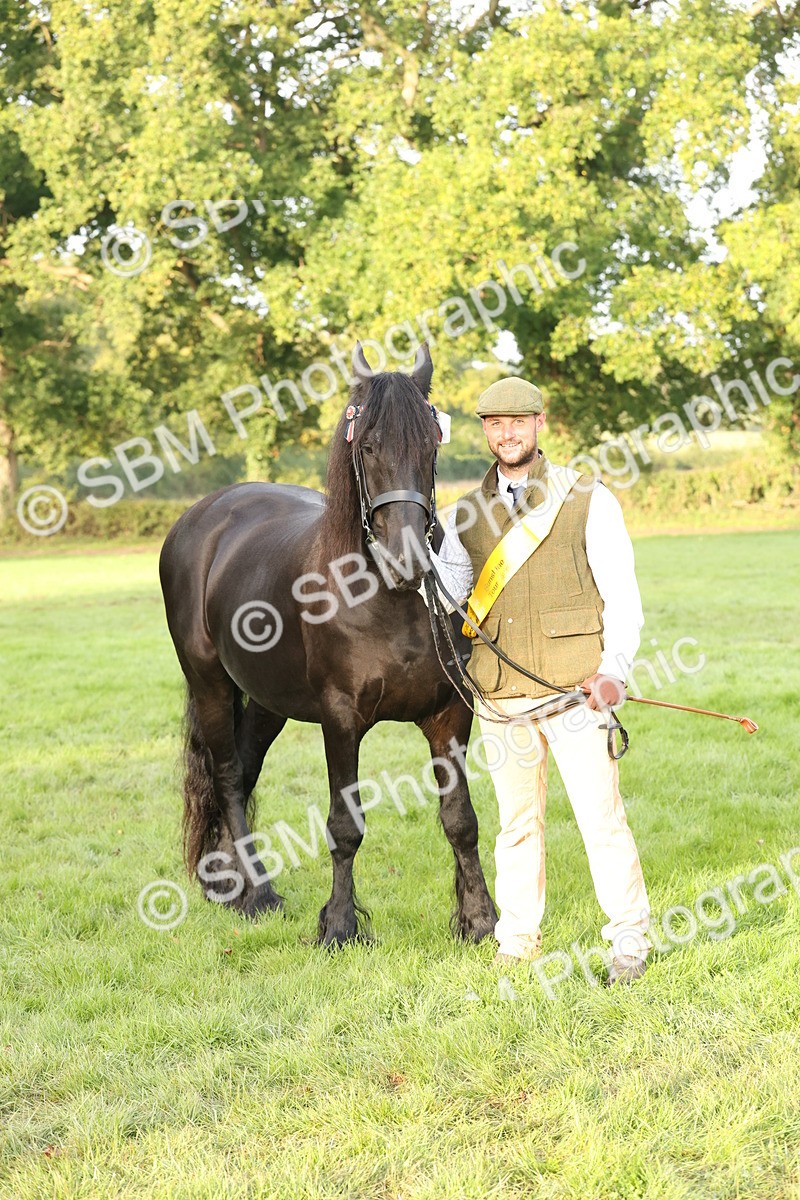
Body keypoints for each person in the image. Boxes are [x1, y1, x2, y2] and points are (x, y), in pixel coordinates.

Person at [429, 376, 651, 984]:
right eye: (496, 424)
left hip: (576, 691)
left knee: (601, 819)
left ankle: (629, 939)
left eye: (518, 423)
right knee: (516, 824)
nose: (507, 434)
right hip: (501, 696)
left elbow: (622, 597)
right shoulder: (461, 515)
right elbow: (451, 598)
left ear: (539, 424)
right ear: (485, 432)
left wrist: (615, 673)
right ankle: (518, 937)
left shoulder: (586, 497)